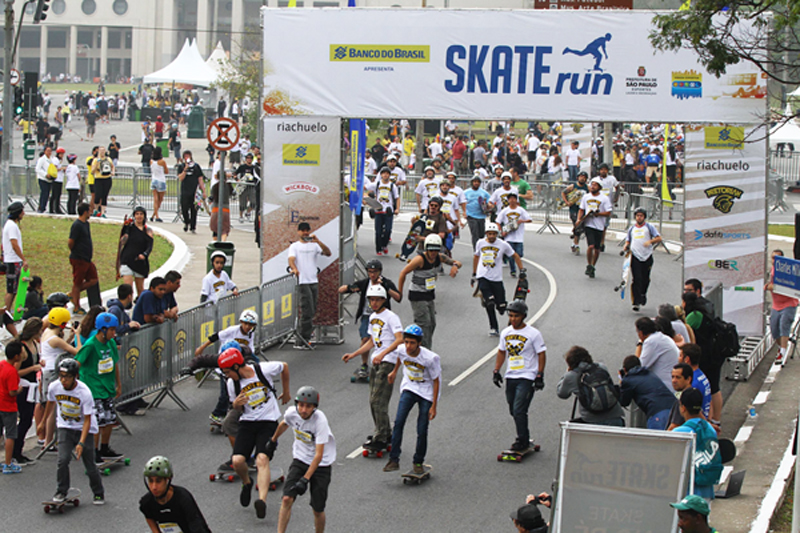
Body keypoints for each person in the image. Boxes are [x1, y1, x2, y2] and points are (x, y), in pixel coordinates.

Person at [218, 347, 290, 519]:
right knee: (237, 461)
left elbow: (284, 367)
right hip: (248, 422)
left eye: (228, 371)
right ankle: (247, 482)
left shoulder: (262, 370)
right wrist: (236, 405)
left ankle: (261, 501)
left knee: (262, 459)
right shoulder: (232, 384)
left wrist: (286, 391)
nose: (227, 376)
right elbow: (237, 408)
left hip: (268, 422)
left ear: (236, 366)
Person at [342, 285, 403, 451]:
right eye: (371, 300)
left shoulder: (391, 317)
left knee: (378, 401)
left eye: (377, 300)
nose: (374, 303)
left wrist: (383, 354)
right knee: (373, 400)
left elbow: (400, 339)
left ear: (384, 300)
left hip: (387, 362)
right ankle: (384, 432)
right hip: (376, 361)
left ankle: (381, 437)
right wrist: (354, 354)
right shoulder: (372, 317)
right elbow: (371, 341)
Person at [272, 386, 336, 533]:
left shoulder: (320, 421)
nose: (303, 410)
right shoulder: (292, 413)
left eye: (308, 406)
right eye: (301, 405)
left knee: (317, 509)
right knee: (287, 499)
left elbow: (318, 455)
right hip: (300, 459)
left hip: (322, 464)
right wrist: (273, 440)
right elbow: (284, 423)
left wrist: (305, 479)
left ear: (314, 407)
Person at [43, 358, 105, 503]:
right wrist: (43, 422)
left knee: (89, 464)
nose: (63, 380)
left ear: (75, 376)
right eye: (61, 376)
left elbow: (88, 420)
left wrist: (81, 443)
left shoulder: (84, 392)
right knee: (63, 460)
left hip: (84, 428)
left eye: (67, 377)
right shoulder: (54, 387)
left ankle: (98, 492)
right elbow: (50, 404)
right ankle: (61, 490)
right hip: (65, 426)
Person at [382, 324, 441, 474]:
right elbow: (400, 358)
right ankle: (394, 459)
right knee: (399, 422)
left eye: (412, 343)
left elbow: (436, 381)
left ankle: (418, 461)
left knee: (422, 429)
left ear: (419, 343)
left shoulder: (430, 358)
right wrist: (394, 372)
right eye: (406, 342)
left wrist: (434, 406)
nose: (408, 346)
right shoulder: (402, 349)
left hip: (426, 392)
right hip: (410, 387)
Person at [492, 300, 546, 451]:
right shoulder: (506, 332)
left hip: (527, 376)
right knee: (513, 410)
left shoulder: (533, 334)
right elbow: (502, 351)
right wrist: (496, 371)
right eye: (511, 316)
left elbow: (541, 354)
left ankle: (521, 440)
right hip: (511, 376)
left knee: (519, 409)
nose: (513, 319)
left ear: (523, 316)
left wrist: (540, 375)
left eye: (516, 316)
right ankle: (525, 436)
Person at [192, 310, 259, 424]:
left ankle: (233, 413)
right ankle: (217, 414)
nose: (247, 327)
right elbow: (215, 336)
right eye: (245, 323)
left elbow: (250, 350)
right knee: (226, 394)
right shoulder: (232, 330)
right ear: (241, 322)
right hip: (225, 367)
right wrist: (201, 348)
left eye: (251, 325)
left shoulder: (250, 334)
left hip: (237, 367)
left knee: (238, 391)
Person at [398, 234, 462, 349]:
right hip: (417, 295)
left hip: (429, 295)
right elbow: (403, 273)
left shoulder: (440, 257)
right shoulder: (419, 260)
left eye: (436, 250)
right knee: (424, 324)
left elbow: (457, 262)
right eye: (431, 250)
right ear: (426, 248)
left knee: (432, 324)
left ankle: (420, 347)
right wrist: (400, 292)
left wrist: (455, 266)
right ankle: (424, 351)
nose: (433, 253)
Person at [338, 259, 401, 376]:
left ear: (380, 272)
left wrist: (387, 288)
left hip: (382, 316)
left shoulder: (386, 283)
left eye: (375, 272)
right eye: (370, 271)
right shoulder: (365, 283)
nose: (372, 274)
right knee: (366, 339)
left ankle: (384, 361)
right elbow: (341, 289)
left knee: (382, 340)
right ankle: (364, 364)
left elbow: (398, 297)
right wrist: (350, 288)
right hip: (367, 316)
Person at [74, 312, 122, 464]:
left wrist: (118, 384)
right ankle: (93, 452)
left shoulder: (111, 343)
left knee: (109, 420)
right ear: (102, 330)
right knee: (97, 423)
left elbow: (114, 364)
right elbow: (77, 364)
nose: (114, 334)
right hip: (93, 390)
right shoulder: (90, 345)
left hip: (107, 388)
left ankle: (104, 447)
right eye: (112, 330)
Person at [38, 307, 82, 449]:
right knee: (53, 409)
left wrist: (69, 337)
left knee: (52, 407)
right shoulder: (55, 339)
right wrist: (78, 336)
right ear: (62, 324)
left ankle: (49, 441)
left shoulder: (47, 333)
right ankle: (49, 441)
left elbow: (62, 348)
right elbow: (77, 351)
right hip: (52, 373)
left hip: (47, 372)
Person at [473, 222, 524, 336]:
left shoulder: (503, 244)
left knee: (501, 307)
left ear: (497, 234)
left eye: (494, 234)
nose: (491, 236)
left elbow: (515, 255)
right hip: (483, 276)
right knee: (489, 303)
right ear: (486, 233)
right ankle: (493, 327)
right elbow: (476, 256)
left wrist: (522, 270)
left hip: (496, 278)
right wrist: (474, 273)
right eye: (489, 234)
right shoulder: (480, 243)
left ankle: (509, 318)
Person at [671, 388, 722, 500]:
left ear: (683, 407)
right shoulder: (709, 428)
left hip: (688, 493)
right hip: (707, 490)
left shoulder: (679, 433)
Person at [288, 223, 332, 349]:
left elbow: (328, 253)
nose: (305, 233)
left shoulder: (315, 245)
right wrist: (295, 269)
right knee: (307, 310)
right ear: (298, 232)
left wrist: (318, 241)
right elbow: (291, 259)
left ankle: (305, 337)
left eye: (307, 231)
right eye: (302, 231)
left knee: (312, 310)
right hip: (302, 282)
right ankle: (302, 339)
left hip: (313, 281)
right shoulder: (295, 246)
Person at [556, 345, 625, 426]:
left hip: (592, 421)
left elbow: (561, 393)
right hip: (615, 416)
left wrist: (567, 373)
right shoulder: (601, 367)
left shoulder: (571, 376)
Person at [140, 456, 211, 533]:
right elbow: (149, 517)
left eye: (158, 481)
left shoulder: (183, 498)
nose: (154, 487)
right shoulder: (146, 503)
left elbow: (197, 527)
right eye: (151, 481)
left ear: (167, 480)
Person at [618, 355, 676, 430]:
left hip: (657, 412)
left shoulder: (629, 379)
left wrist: (622, 383)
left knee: (656, 440)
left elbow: (624, 402)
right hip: (673, 408)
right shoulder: (649, 373)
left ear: (625, 369)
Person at [622, 208, 662, 311]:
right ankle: (636, 301)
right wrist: (626, 246)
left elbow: (659, 238)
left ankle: (643, 293)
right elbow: (628, 241)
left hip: (647, 256)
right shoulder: (632, 229)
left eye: (641, 216)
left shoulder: (649, 227)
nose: (639, 217)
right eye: (637, 215)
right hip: (635, 256)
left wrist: (650, 242)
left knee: (645, 279)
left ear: (644, 217)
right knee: (636, 279)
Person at [15, 320, 43, 464]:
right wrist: (33, 368)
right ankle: (16, 451)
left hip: (31, 386)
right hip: (23, 387)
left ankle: (17, 449)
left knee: (26, 420)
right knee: (24, 420)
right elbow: (15, 372)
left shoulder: (34, 344)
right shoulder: (23, 349)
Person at [576, 177, 612, 278]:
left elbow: (609, 212)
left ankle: (593, 265)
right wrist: (579, 219)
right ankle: (588, 264)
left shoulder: (604, 198)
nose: (592, 187)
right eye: (592, 185)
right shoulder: (586, 197)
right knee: (590, 246)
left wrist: (599, 214)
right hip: (589, 224)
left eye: (595, 185)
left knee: (597, 249)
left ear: (599, 187)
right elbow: (581, 209)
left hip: (599, 225)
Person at [766, 249, 798, 364]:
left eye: (777, 258)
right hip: (776, 304)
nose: (774, 260)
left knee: (784, 324)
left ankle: (783, 351)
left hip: (789, 303)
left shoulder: (787, 270)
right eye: (773, 258)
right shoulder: (772, 270)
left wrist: (773, 287)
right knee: (774, 328)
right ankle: (782, 346)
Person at [68, 203, 99, 315]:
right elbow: (71, 242)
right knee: (77, 282)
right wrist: (76, 252)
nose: (91, 212)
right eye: (90, 210)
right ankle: (76, 306)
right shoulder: (77, 225)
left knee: (93, 279)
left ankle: (72, 294)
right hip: (79, 258)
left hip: (87, 259)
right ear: (85, 212)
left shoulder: (86, 224)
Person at [118, 206, 154, 299]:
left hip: (140, 262)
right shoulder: (130, 228)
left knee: (140, 289)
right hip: (127, 259)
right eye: (137, 214)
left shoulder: (148, 230)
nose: (139, 216)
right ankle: (127, 306)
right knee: (128, 287)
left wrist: (144, 255)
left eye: (141, 214)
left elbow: (149, 246)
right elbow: (122, 241)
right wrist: (125, 229)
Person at [635, 316, 679, 391]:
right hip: (671, 381)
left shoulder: (651, 341)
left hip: (664, 387)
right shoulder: (661, 337)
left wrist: (639, 344)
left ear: (641, 333)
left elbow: (639, 366)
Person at [0, 341, 24, 474]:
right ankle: (8, 463)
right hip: (8, 406)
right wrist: (19, 389)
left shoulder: (2, 365)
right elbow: (12, 391)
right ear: (16, 356)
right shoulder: (12, 372)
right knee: (10, 435)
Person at [3, 201, 28, 325]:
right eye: (22, 211)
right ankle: (5, 314)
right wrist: (23, 259)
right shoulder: (12, 226)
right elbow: (14, 244)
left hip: (12, 260)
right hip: (13, 261)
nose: (23, 213)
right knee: (11, 289)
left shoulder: (9, 225)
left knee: (13, 289)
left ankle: (7, 312)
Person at [365, 166, 400, 256]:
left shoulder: (392, 186)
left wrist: (397, 209)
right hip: (378, 210)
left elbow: (397, 198)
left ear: (389, 175)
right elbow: (365, 188)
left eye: (387, 173)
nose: (385, 175)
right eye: (383, 173)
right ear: (381, 175)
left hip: (388, 210)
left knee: (388, 230)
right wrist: (366, 199)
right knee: (378, 231)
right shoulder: (376, 184)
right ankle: (378, 248)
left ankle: (384, 245)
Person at [496, 192, 532, 278]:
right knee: (511, 254)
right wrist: (501, 231)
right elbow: (498, 221)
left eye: (514, 199)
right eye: (510, 199)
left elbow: (529, 219)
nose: (512, 200)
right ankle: (513, 270)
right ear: (508, 200)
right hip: (509, 237)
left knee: (519, 254)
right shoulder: (505, 211)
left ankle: (517, 266)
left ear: (516, 200)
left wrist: (521, 221)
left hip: (519, 236)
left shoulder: (520, 210)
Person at [678, 344, 712, 419]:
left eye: (680, 356)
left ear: (687, 359)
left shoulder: (693, 382)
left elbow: (694, 409)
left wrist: (706, 424)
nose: (678, 359)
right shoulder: (702, 376)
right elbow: (710, 402)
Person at [178, 150, 207, 233]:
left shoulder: (196, 166)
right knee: (184, 209)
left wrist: (203, 191)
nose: (187, 158)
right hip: (185, 191)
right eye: (185, 156)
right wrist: (185, 169)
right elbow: (180, 178)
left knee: (194, 209)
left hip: (195, 192)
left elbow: (200, 179)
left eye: (188, 156)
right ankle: (187, 222)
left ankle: (193, 226)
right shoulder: (181, 166)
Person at [561, 170, 589, 254]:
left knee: (580, 227)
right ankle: (576, 245)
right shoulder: (573, 186)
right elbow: (563, 192)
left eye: (584, 178)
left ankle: (574, 241)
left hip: (582, 209)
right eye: (581, 177)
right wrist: (567, 202)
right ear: (578, 178)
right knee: (577, 225)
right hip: (574, 208)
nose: (582, 179)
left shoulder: (587, 188)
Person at [464, 175, 492, 248]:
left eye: (478, 182)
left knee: (481, 235)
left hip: (481, 216)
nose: (476, 183)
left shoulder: (484, 193)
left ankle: (482, 248)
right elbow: (461, 203)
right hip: (471, 216)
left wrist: (487, 206)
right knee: (475, 234)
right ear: (472, 183)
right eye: (474, 182)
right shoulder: (466, 192)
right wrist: (464, 212)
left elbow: (490, 203)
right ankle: (476, 250)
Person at [235, 153, 260, 224]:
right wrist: (238, 180)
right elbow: (235, 174)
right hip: (243, 186)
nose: (249, 159)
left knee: (253, 202)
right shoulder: (242, 167)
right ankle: (241, 216)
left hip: (251, 186)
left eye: (250, 158)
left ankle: (248, 212)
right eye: (248, 158)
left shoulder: (254, 168)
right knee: (242, 202)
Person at [91, 146, 114, 218]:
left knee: (105, 195)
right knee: (98, 195)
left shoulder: (108, 159)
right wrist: (97, 163)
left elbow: (112, 166)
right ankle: (96, 209)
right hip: (98, 178)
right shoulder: (95, 160)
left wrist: (112, 171)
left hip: (107, 178)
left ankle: (103, 212)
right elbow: (92, 171)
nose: (102, 152)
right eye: (100, 151)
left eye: (103, 151)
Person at [150, 146, 168, 222]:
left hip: (154, 179)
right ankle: (156, 215)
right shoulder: (162, 161)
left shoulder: (151, 161)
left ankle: (154, 215)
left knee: (155, 199)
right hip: (161, 180)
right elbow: (166, 171)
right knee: (160, 200)